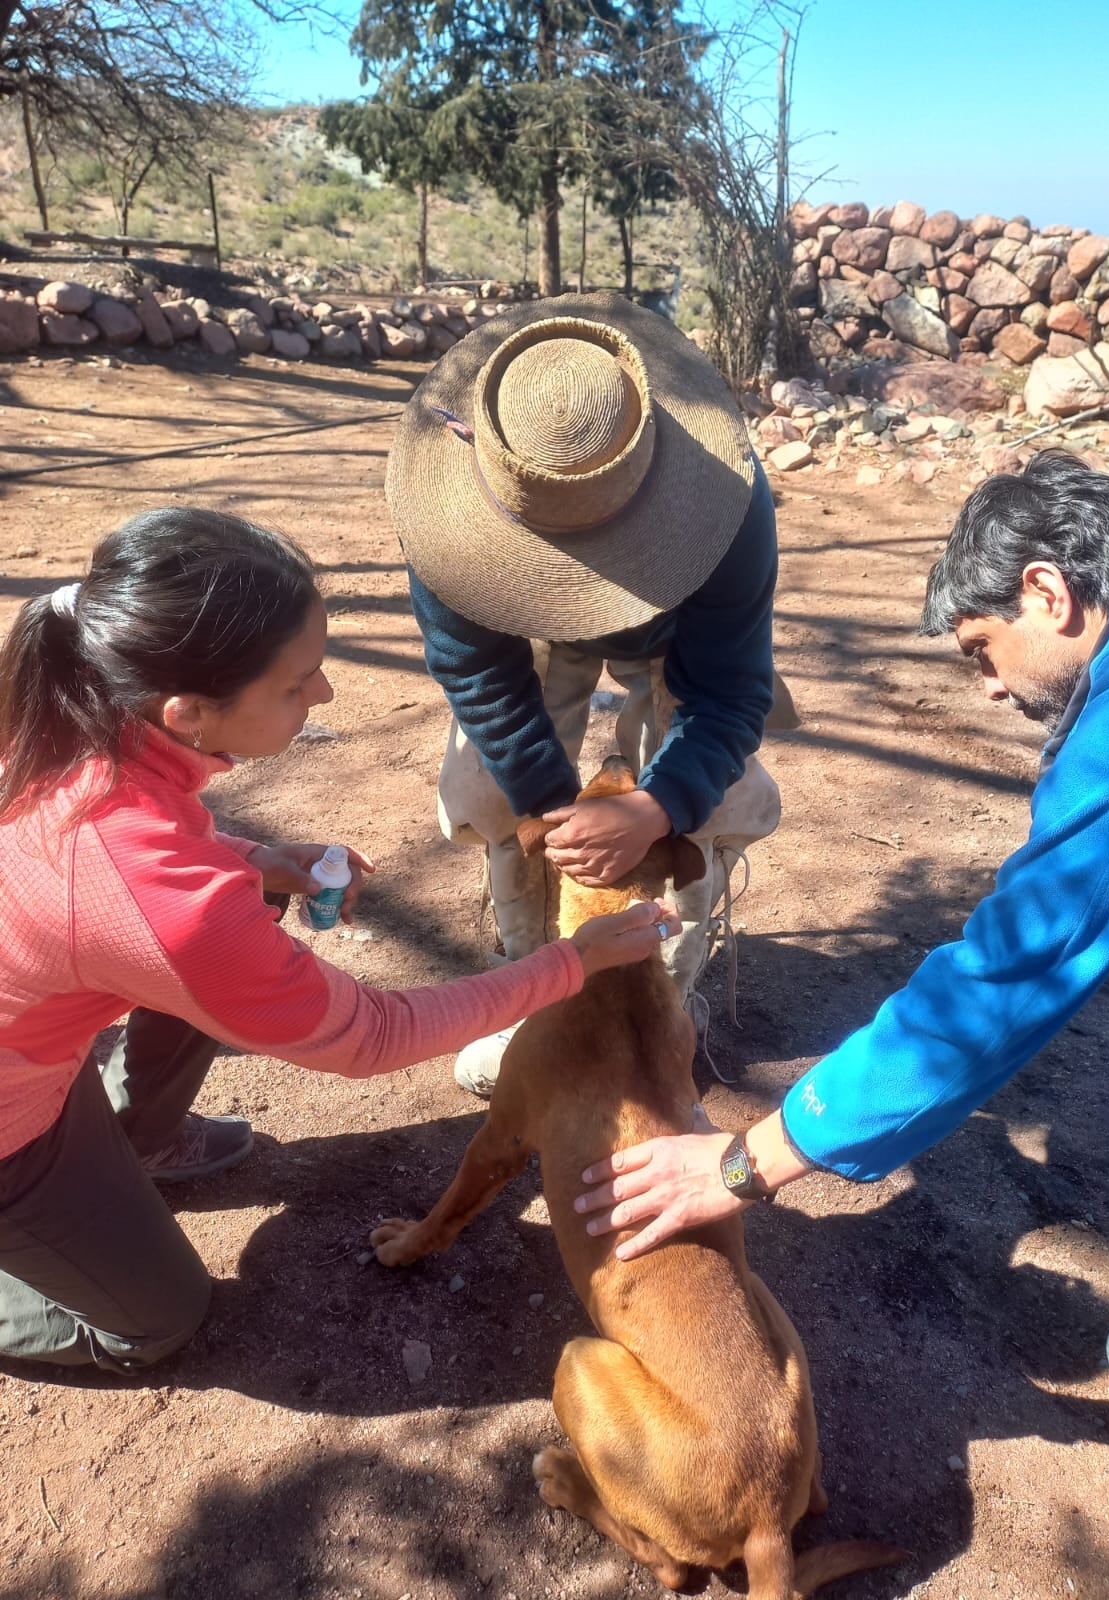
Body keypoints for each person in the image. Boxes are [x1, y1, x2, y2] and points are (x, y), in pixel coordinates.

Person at [573, 449, 1109, 1436]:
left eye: (980, 650)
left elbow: (1010, 971)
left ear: (1048, 592)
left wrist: (748, 1159)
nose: (989, 688)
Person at [0, 507, 679, 1374]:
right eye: (297, 683)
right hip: (12, 1117)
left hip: (37, 1048)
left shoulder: (74, 706)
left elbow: (140, 863)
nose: (322, 696)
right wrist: (571, 963)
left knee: (233, 942)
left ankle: (140, 1135)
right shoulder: (170, 904)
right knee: (159, 1320)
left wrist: (263, 863)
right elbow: (371, 1036)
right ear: (190, 710)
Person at [385, 292, 786, 1096]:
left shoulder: (729, 510)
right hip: (517, 623)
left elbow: (730, 693)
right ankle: (530, 990)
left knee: (715, 803)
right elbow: (477, 674)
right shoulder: (447, 523)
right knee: (483, 794)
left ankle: (660, 1006)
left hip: (673, 638)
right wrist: (547, 807)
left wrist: (656, 806)